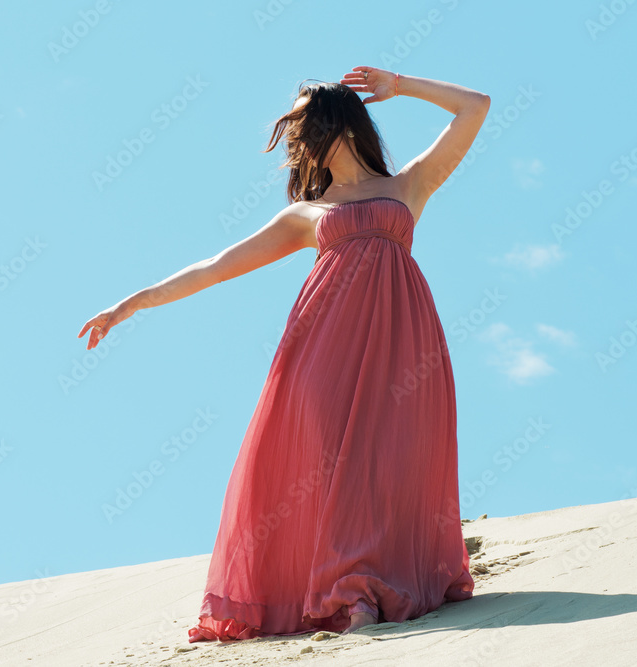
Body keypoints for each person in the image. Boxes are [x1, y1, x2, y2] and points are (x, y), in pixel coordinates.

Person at [77, 65, 490, 641]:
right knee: (334, 467)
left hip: (405, 343)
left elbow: (477, 106)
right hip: (323, 348)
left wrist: (401, 85)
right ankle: (354, 595)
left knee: (389, 459)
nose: (293, 137)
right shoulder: (306, 214)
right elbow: (216, 267)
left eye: (300, 123)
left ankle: (374, 582)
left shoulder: (409, 185)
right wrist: (132, 303)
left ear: (334, 122)